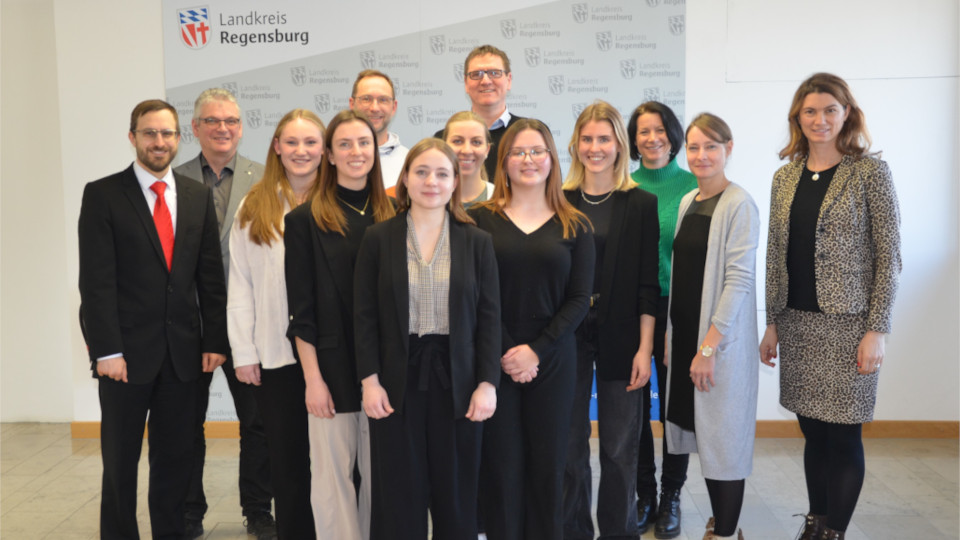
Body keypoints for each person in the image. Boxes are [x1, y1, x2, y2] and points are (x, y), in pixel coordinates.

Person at [760, 73, 901, 540]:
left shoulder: (870, 173)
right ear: (797, 119)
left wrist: (876, 329)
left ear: (846, 114)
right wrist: (773, 323)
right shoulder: (784, 177)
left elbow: (889, 255)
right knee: (812, 432)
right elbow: (775, 255)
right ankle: (816, 521)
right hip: (798, 326)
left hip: (849, 328)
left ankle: (834, 531)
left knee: (842, 436)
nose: (820, 120)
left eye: (830, 110)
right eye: (810, 112)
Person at [78, 99, 227, 540]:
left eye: (167, 134)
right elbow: (96, 282)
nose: (158, 142)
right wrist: (106, 350)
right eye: (149, 133)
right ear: (133, 137)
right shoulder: (103, 194)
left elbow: (210, 277)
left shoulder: (197, 195)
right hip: (123, 358)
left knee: (175, 461)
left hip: (183, 358)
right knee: (120, 464)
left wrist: (214, 340)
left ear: (180, 139)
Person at [354, 138, 501, 540]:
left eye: (442, 173)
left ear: (456, 182)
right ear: (404, 179)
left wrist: (487, 384)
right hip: (395, 381)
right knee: (399, 494)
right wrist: (369, 381)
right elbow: (363, 317)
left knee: (456, 495)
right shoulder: (378, 239)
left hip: (459, 381)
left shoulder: (477, 242)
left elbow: (490, 320)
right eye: (421, 172)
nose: (430, 181)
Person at [471, 119, 595, 540]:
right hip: (494, 358)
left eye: (537, 151)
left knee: (549, 469)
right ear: (502, 162)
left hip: (555, 359)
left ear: (552, 159)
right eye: (518, 152)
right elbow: (474, 298)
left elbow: (580, 299)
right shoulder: (477, 222)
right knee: (501, 469)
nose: (528, 160)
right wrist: (509, 352)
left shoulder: (575, 223)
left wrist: (536, 351)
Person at [284, 109, 395, 539]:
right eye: (344, 144)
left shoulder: (397, 214)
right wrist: (312, 379)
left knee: (383, 480)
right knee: (332, 482)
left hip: (388, 369)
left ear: (376, 149)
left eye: (363, 143)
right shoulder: (303, 220)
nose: (355, 152)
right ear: (328, 155)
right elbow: (301, 311)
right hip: (330, 368)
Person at [174, 88, 275, 540]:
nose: (222, 128)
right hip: (188, 326)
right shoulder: (172, 181)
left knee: (257, 423)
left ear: (240, 126)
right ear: (194, 128)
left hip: (249, 326)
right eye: (212, 121)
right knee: (186, 424)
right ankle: (189, 513)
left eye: (231, 121)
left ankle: (258, 511)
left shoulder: (265, 179)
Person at [561, 101, 660, 540]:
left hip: (623, 337)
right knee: (568, 445)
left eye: (604, 139)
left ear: (620, 145)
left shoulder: (640, 203)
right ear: (575, 144)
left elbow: (647, 284)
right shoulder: (558, 199)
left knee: (620, 448)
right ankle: (574, 531)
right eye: (587, 139)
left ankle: (619, 534)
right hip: (568, 335)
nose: (595, 147)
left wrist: (645, 349)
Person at [227, 108, 325, 539]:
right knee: (287, 463)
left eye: (310, 142)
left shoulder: (341, 200)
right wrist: (245, 353)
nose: (301, 151)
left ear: (325, 149)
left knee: (337, 462)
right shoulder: (255, 203)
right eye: (292, 142)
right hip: (276, 357)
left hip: (333, 356)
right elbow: (241, 286)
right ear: (276, 147)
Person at [665, 113, 760, 540]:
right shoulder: (688, 201)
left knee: (724, 443)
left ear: (729, 148)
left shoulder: (739, 203)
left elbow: (738, 282)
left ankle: (724, 534)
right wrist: (675, 342)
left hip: (717, 346)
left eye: (711, 147)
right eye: (694, 147)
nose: (701, 155)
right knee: (703, 438)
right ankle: (724, 527)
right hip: (686, 337)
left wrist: (708, 349)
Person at [628, 100, 698, 538]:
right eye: (642, 132)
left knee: (675, 410)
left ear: (674, 134)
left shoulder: (696, 184)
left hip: (679, 309)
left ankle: (671, 495)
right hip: (633, 308)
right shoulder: (622, 184)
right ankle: (643, 494)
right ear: (631, 140)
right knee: (632, 410)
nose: (652, 138)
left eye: (660, 130)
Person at [434, 45, 524, 179]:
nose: (486, 81)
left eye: (494, 73)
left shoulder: (528, 133)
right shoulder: (444, 139)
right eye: (476, 74)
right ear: (465, 83)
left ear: (508, 80)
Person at [349, 69, 408, 190]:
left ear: (394, 107)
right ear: (352, 104)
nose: (374, 108)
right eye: (366, 99)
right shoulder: (336, 158)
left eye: (383, 100)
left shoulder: (409, 161)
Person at [441, 111, 494, 207]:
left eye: (476, 142)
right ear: (444, 147)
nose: (467, 151)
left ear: (487, 150)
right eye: (457, 141)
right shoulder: (430, 198)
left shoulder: (502, 199)